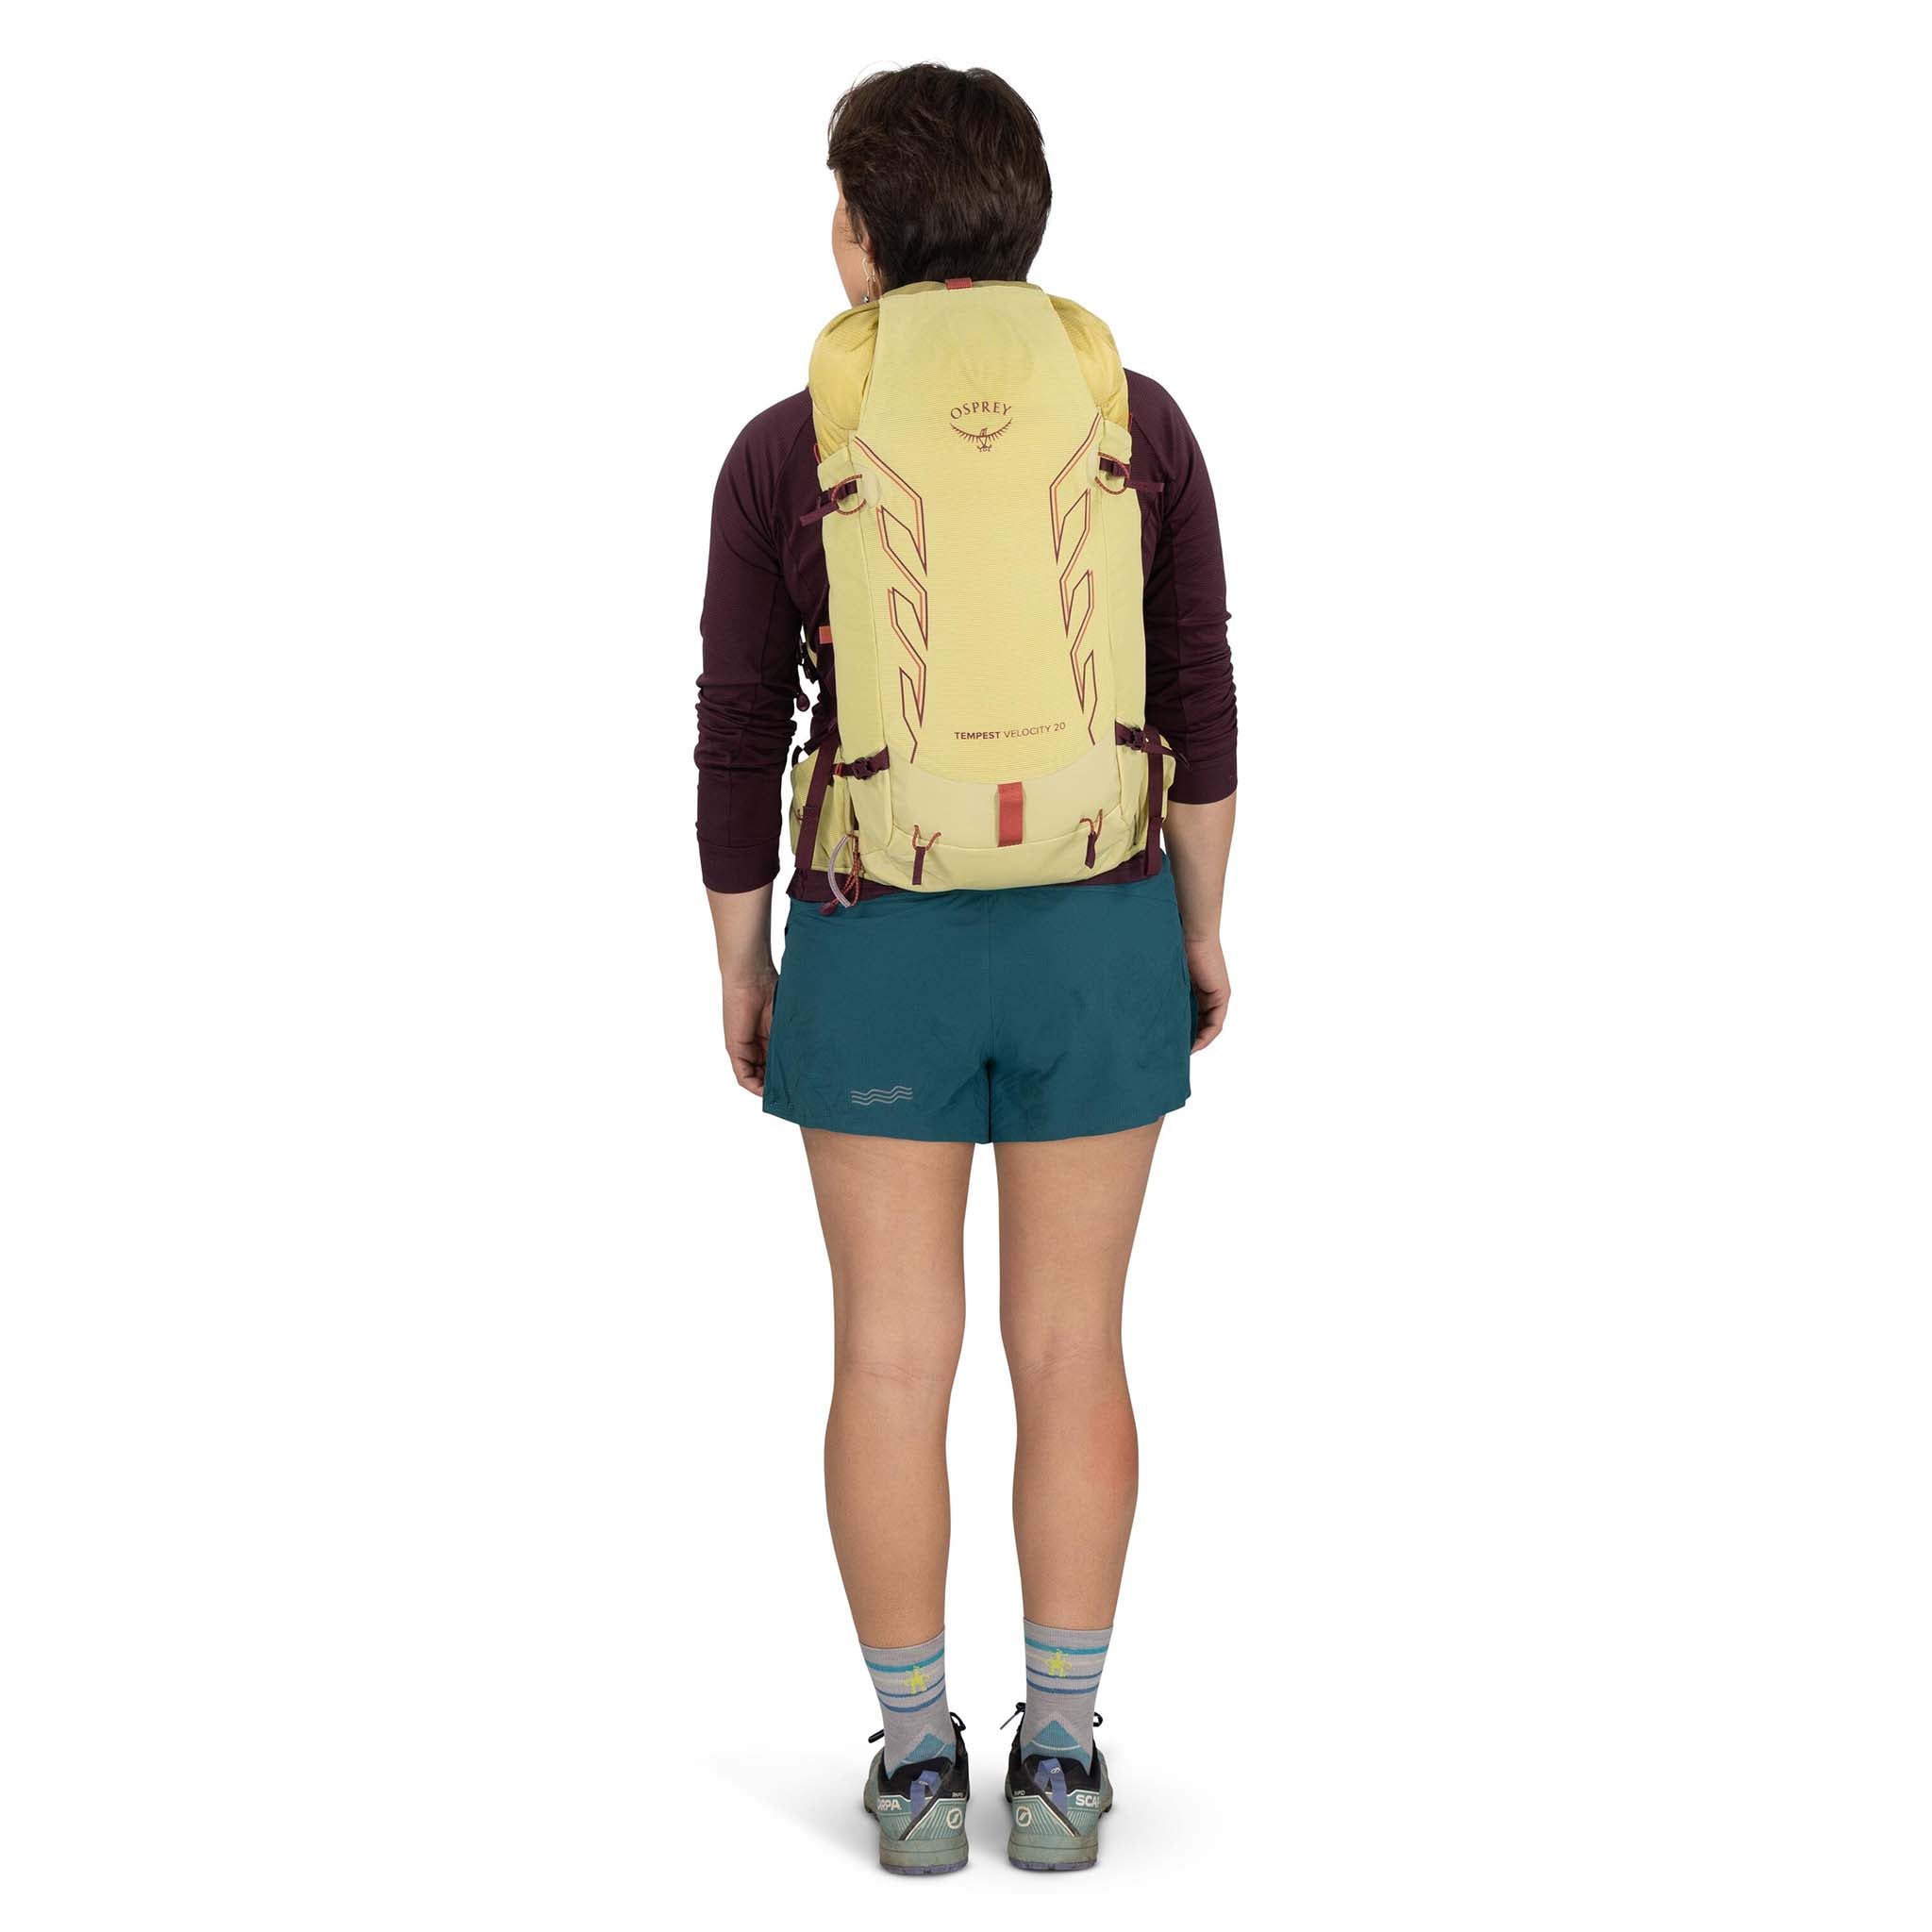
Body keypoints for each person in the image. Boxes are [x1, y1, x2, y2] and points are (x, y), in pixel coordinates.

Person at [693, 63, 1237, 1874]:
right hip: (1099, 925)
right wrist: (1196, 927)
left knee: (888, 1358)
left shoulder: (786, 446)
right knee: (1074, 1347)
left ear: (860, 236)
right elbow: (1199, 692)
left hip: (875, 938)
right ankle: (1062, 1758)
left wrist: (744, 964)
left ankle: (920, 1765)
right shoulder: (1140, 422)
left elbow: (734, 736)